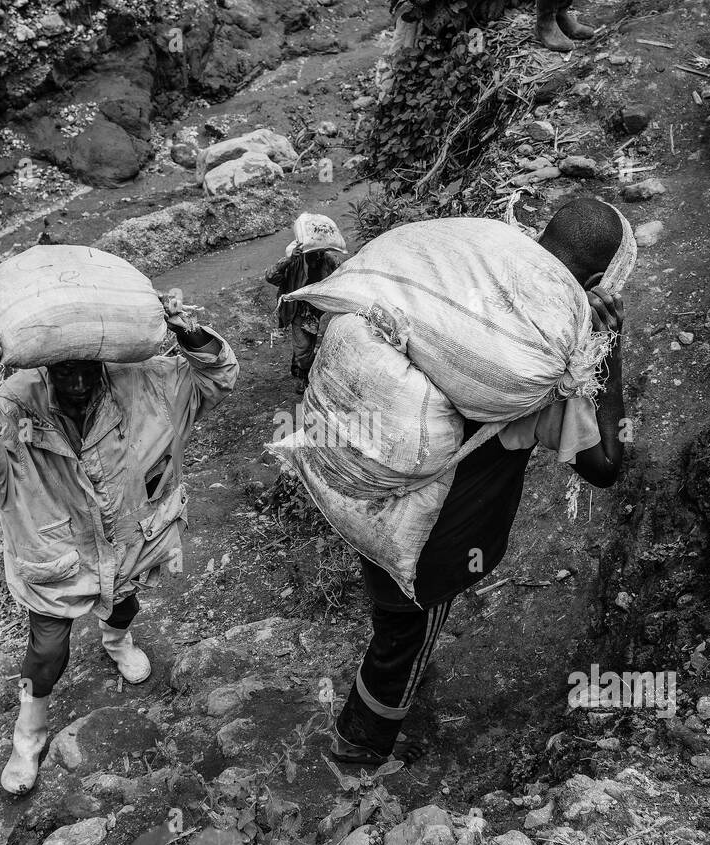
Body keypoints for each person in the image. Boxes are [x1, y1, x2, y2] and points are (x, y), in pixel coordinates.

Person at [330, 198, 629, 765]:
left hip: (378, 491)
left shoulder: (472, 283)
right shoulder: (541, 362)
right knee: (404, 641)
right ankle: (359, 747)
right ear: (594, 284)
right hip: (433, 540)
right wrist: (613, 341)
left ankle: (387, 694)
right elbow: (605, 465)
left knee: (394, 620)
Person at [0, 298, 238, 794]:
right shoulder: (13, 404)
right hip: (56, 555)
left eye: (89, 372)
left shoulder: (143, 383)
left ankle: (116, 641)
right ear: (44, 368)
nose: (78, 385)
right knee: (47, 651)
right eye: (65, 373)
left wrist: (191, 334)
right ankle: (28, 738)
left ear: (104, 362)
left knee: (124, 601)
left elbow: (217, 378)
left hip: (127, 540)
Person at [265, 214, 348, 392]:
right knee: (303, 346)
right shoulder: (294, 261)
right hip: (299, 310)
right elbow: (270, 276)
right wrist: (288, 260)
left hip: (321, 309)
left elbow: (343, 277)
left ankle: (303, 366)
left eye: (319, 253)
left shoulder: (329, 260)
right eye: (312, 253)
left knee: (314, 342)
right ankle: (304, 375)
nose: (316, 256)